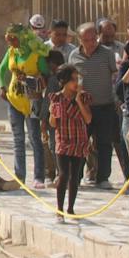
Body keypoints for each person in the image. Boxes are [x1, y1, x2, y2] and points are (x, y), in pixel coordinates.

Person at [71, 22, 128, 187]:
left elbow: (115, 76)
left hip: (105, 105)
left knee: (104, 142)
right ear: (80, 40)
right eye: (86, 40)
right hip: (82, 107)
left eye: (93, 39)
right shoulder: (74, 56)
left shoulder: (107, 54)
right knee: (81, 143)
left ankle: (103, 177)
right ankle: (77, 176)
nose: (91, 43)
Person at [0, 22, 50, 188]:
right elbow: (1, 70)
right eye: (9, 40)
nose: (11, 43)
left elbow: (45, 75)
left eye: (13, 39)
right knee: (18, 139)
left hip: (32, 100)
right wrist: (2, 86)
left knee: (35, 138)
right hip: (14, 99)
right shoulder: (11, 52)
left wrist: (29, 79)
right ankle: (19, 175)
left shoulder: (37, 54)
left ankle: (39, 177)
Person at [51, 64, 93, 216]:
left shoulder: (84, 96)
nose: (76, 82)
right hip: (63, 141)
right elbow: (53, 123)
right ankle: (60, 208)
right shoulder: (56, 98)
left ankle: (71, 208)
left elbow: (88, 119)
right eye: (73, 79)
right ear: (64, 81)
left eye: (77, 79)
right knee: (63, 174)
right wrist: (51, 113)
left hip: (79, 142)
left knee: (75, 176)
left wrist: (79, 101)